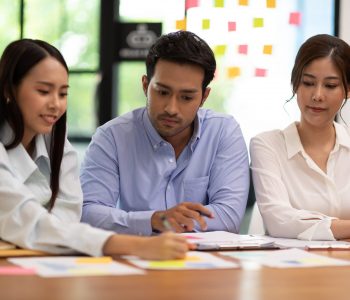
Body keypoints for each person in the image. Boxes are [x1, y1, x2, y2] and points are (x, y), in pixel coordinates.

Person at [0, 38, 190, 259]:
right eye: (43, 91)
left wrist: (43, 236)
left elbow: (66, 218)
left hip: (36, 262)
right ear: (8, 90)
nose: (56, 104)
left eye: (62, 94)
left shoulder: (57, 143)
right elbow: (30, 222)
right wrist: (136, 246)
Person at [80, 30, 249, 235]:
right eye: (162, 92)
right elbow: (88, 213)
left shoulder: (223, 132)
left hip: (204, 262)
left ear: (204, 97)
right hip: (138, 259)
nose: (171, 108)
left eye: (186, 97)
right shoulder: (112, 137)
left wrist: (168, 222)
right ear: (145, 85)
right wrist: (153, 220)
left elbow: (228, 216)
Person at [250, 34, 350, 240]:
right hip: (292, 268)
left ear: (347, 90)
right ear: (295, 84)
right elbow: (279, 221)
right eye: (308, 83)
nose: (317, 95)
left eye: (330, 85)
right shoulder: (266, 145)